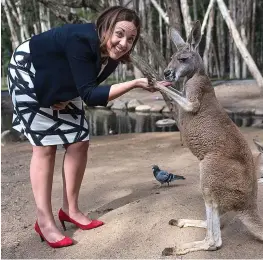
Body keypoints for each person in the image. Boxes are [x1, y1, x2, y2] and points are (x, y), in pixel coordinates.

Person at [7, 6, 171, 248]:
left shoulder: (113, 57)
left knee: (79, 141)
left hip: (57, 79)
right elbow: (91, 95)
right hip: (29, 72)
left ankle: (70, 210)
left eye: (131, 39)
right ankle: (44, 220)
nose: (124, 43)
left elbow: (86, 83)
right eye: (119, 34)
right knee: (45, 147)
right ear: (104, 27)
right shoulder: (80, 41)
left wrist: (62, 93)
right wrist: (135, 83)